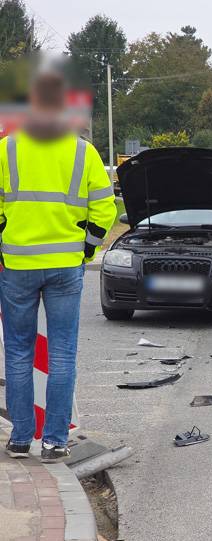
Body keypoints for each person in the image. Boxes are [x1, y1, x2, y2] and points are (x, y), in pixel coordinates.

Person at [1, 70, 116, 462]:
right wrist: (86, 249)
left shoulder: (6, 149)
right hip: (66, 265)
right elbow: (105, 208)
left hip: (16, 264)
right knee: (63, 353)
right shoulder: (84, 152)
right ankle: (54, 442)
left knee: (17, 352)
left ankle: (19, 440)